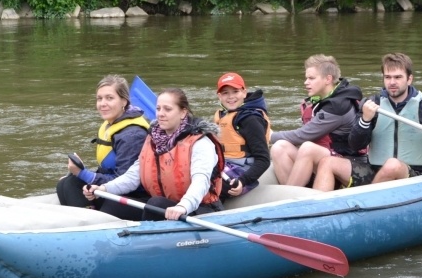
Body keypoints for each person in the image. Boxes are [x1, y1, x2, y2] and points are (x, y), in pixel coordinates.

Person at [312, 52, 422, 191]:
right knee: (327, 162)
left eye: (398, 77)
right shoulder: (373, 103)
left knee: (392, 165)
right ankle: (316, 207)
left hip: (410, 175)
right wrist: (365, 120)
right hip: (374, 170)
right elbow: (355, 145)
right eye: (388, 77)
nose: (392, 82)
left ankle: (368, 201)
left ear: (409, 79)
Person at [85, 88, 225, 221]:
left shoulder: (200, 142)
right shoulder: (153, 140)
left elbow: (201, 182)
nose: (160, 114)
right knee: (113, 204)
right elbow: (132, 177)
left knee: (156, 203)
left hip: (198, 209)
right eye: (158, 109)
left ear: (183, 113)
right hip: (164, 206)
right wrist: (104, 188)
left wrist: (183, 206)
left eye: (167, 109)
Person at [56, 75, 149, 220]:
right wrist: (77, 175)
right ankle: (81, 220)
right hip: (112, 188)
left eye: (109, 98)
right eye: (99, 99)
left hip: (135, 196)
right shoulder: (110, 124)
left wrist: (82, 174)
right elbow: (107, 170)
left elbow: (125, 181)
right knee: (66, 184)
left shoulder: (132, 135)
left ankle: (89, 224)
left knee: (76, 183)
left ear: (124, 101)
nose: (102, 104)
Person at [269, 54, 365, 186]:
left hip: (347, 162)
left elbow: (302, 135)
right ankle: (294, 189)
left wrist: (270, 136)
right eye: (306, 78)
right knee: (279, 148)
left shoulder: (338, 106)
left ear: (328, 79)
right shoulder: (322, 99)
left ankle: (292, 195)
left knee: (307, 148)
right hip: (327, 154)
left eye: (311, 78)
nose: (306, 82)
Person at [213, 72, 271, 199]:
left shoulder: (250, 120)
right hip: (225, 164)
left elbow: (263, 160)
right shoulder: (223, 116)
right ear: (219, 96)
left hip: (243, 172)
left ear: (244, 93)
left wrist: (243, 181)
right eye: (225, 93)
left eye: (235, 91)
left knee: (211, 183)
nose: (231, 97)